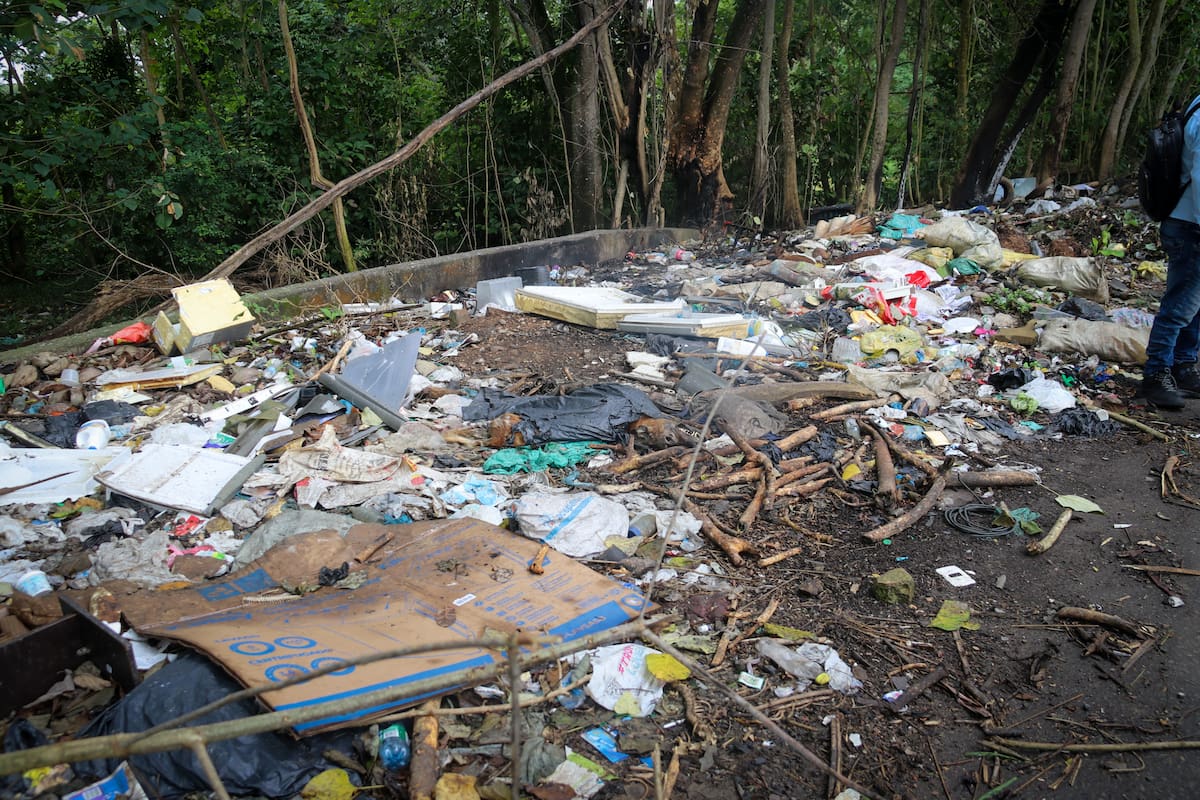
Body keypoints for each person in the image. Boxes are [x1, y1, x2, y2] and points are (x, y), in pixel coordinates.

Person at [1140, 93, 1200, 409]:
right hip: (1191, 224)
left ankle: (1183, 366)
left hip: (1188, 221)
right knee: (1179, 306)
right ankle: (1155, 375)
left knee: (1195, 304)